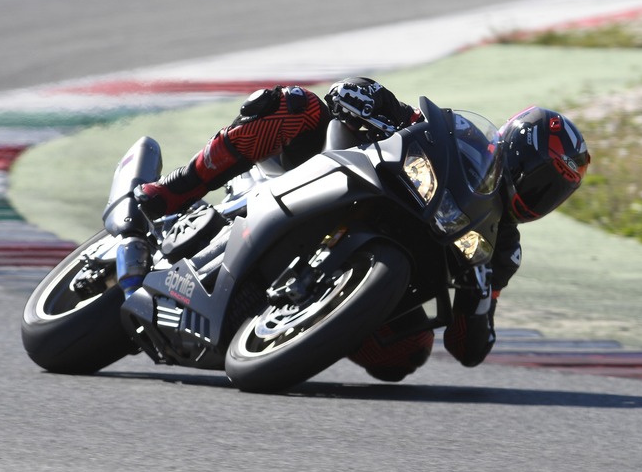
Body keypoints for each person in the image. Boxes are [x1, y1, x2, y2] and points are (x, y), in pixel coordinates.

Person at [129, 77, 591, 382]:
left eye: (552, 193)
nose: (539, 197)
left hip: (392, 257)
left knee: (406, 353)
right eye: (539, 180)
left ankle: (294, 330)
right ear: (513, 151)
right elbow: (357, 96)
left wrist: (482, 294)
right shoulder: (456, 144)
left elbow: (468, 349)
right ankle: (173, 190)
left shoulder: (502, 248)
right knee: (294, 106)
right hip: (331, 180)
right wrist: (370, 101)